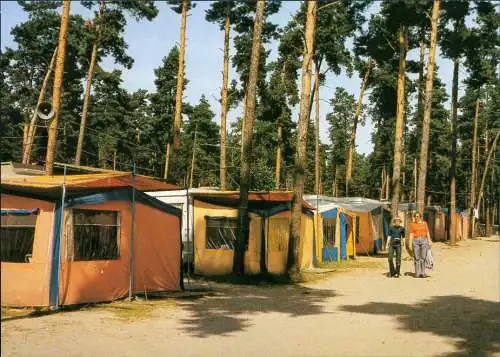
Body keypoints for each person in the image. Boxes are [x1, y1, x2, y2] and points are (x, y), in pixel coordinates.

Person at [409, 212, 432, 278]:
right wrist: (410, 243)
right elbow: (411, 234)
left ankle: (423, 273)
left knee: (423, 257)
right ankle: (417, 273)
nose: (416, 218)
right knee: (416, 258)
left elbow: (427, 232)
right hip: (415, 241)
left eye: (418, 216)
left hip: (424, 240)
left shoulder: (424, 223)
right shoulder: (412, 224)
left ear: (420, 217)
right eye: (415, 216)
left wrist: (429, 241)